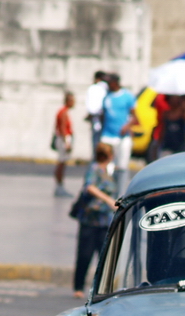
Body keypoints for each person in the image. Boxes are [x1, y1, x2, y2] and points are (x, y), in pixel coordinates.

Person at [73, 142, 117, 298]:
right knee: (85, 255)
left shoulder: (108, 171)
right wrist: (107, 199)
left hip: (105, 220)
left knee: (104, 257)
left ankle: (102, 288)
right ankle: (78, 287)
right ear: (109, 156)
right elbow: (89, 187)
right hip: (90, 219)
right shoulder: (94, 169)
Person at [100, 74, 136, 196]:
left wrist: (127, 126)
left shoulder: (127, 96)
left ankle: (120, 193)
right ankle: (108, 190)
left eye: (110, 83)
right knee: (106, 165)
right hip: (108, 135)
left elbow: (134, 116)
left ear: (116, 82)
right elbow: (103, 115)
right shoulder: (107, 97)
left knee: (121, 166)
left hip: (122, 137)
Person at [53, 91, 76, 197]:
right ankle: (59, 186)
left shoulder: (63, 111)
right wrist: (67, 142)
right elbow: (62, 128)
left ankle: (60, 185)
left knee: (62, 163)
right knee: (62, 163)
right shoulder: (64, 112)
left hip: (62, 138)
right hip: (64, 139)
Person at [84, 70, 108, 151]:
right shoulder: (107, 88)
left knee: (96, 145)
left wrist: (89, 116)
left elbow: (92, 109)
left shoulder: (93, 88)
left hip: (97, 120)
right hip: (107, 122)